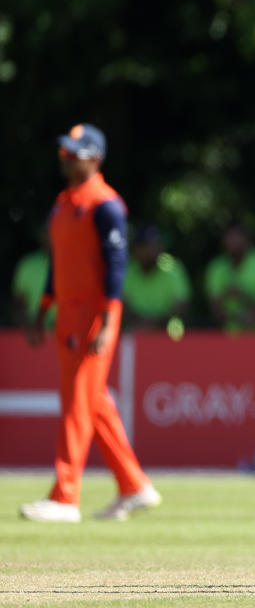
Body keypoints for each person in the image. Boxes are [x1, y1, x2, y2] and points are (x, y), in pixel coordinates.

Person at [19, 123, 161, 523]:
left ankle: (65, 496)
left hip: (92, 315)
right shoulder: (64, 202)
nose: (66, 157)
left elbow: (117, 267)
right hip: (67, 314)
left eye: (75, 153)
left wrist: (106, 318)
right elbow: (58, 263)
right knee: (92, 402)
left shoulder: (106, 205)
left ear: (95, 159)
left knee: (76, 404)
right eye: (65, 151)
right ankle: (134, 485)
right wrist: (43, 306)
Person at [204, 223, 255, 333]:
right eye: (228, 239)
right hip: (228, 340)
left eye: (236, 239)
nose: (231, 243)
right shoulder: (216, 268)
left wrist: (243, 298)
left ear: (248, 240)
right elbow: (215, 312)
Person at [123, 224, 192, 336]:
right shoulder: (128, 271)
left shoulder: (172, 268)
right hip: (133, 334)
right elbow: (122, 306)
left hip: (167, 336)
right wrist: (140, 322)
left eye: (153, 246)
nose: (148, 251)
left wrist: (156, 323)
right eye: (143, 246)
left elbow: (181, 308)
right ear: (135, 249)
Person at [11, 227, 56, 340]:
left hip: (68, 337)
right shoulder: (27, 265)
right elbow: (17, 305)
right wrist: (29, 327)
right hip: (34, 339)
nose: (50, 238)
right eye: (46, 233)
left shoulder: (76, 266)